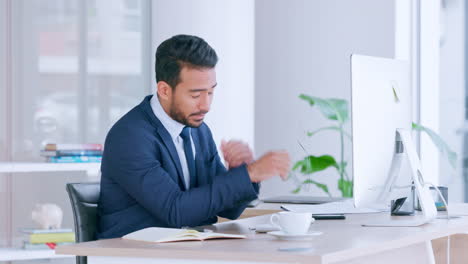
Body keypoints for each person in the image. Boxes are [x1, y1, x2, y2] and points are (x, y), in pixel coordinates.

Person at [97, 34, 290, 239]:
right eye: (195, 95)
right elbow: (175, 210)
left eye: (210, 93)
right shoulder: (130, 137)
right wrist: (248, 174)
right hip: (130, 254)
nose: (206, 105)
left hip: (185, 250)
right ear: (164, 90)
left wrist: (240, 172)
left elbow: (228, 210)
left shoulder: (198, 130)